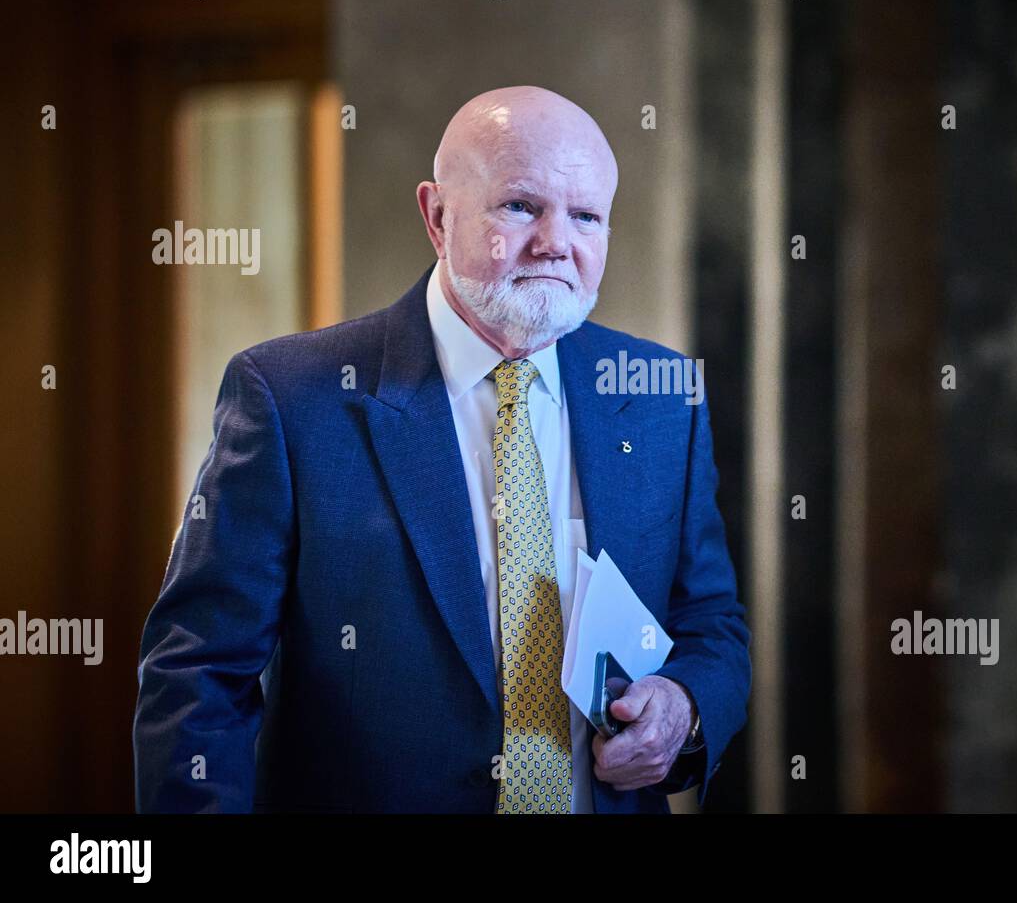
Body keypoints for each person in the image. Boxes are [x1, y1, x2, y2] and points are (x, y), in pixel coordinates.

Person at [133, 85, 751, 813]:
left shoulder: (659, 396)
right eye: (521, 205)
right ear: (436, 214)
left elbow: (712, 623)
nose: (557, 242)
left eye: (586, 216)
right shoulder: (293, 396)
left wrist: (684, 704)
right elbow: (199, 670)